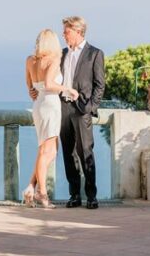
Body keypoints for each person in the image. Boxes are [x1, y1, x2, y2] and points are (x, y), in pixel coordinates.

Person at [23, 29, 77, 208]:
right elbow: (49, 84)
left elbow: (30, 86)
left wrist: (33, 90)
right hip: (51, 104)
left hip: (38, 104)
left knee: (43, 150)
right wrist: (68, 89)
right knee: (50, 152)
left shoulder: (30, 60)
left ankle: (31, 188)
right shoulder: (54, 59)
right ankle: (42, 193)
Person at [58, 15, 105, 209]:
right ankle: (75, 195)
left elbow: (99, 85)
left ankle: (91, 196)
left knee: (85, 151)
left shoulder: (94, 53)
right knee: (68, 153)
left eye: (66, 31)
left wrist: (90, 108)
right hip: (63, 108)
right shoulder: (62, 54)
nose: (64, 35)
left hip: (82, 110)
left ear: (78, 31)